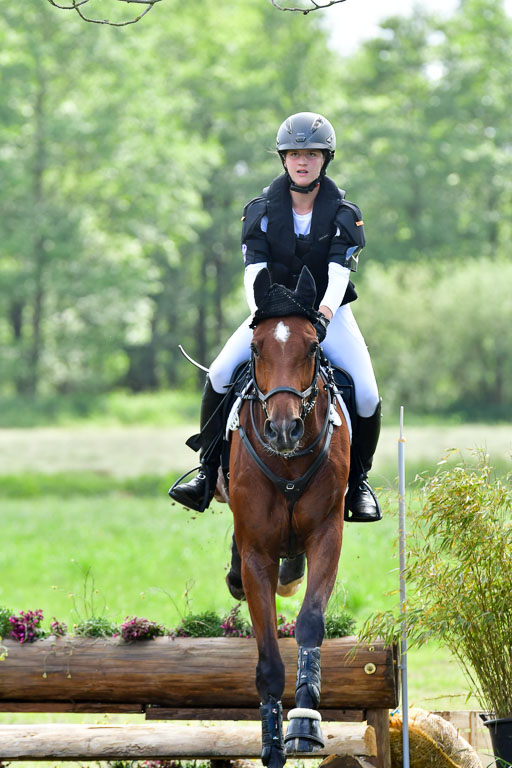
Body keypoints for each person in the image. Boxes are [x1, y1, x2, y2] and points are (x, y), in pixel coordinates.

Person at [170, 111, 381, 522]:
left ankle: (358, 484)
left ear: (325, 159)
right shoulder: (261, 210)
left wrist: (322, 317)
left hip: (329, 315)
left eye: (312, 154)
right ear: (284, 159)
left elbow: (338, 275)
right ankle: (207, 471)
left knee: (368, 394)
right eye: (295, 154)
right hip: (270, 312)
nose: (303, 161)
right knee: (220, 372)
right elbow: (254, 273)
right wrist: (262, 316)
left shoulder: (344, 213)